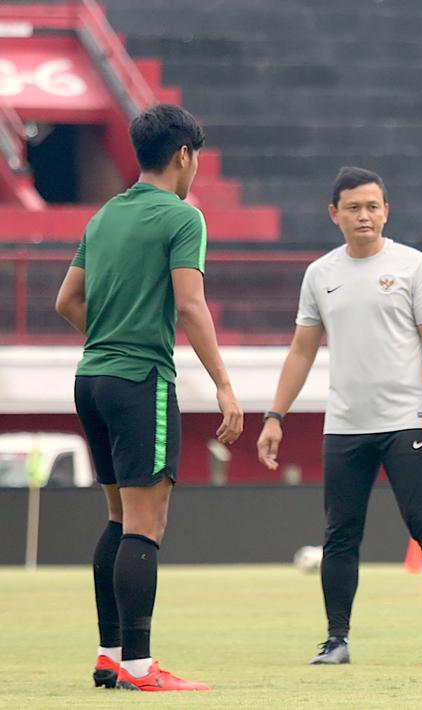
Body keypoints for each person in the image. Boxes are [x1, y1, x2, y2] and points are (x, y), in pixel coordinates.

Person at [54, 104, 244, 692]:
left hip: (92, 379)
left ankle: (110, 654)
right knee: (146, 523)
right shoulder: (183, 217)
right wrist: (224, 384)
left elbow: (66, 301)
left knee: (117, 517)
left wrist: (110, 339)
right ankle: (139, 664)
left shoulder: (106, 215)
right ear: (184, 155)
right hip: (140, 382)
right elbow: (190, 304)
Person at [256, 167, 422, 667]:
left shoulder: (411, 265)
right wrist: (274, 416)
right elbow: (301, 350)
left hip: (407, 422)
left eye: (373, 206)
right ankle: (336, 640)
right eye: (353, 207)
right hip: (346, 426)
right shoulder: (320, 274)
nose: (364, 216)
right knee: (340, 534)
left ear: (386, 211)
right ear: (335, 214)